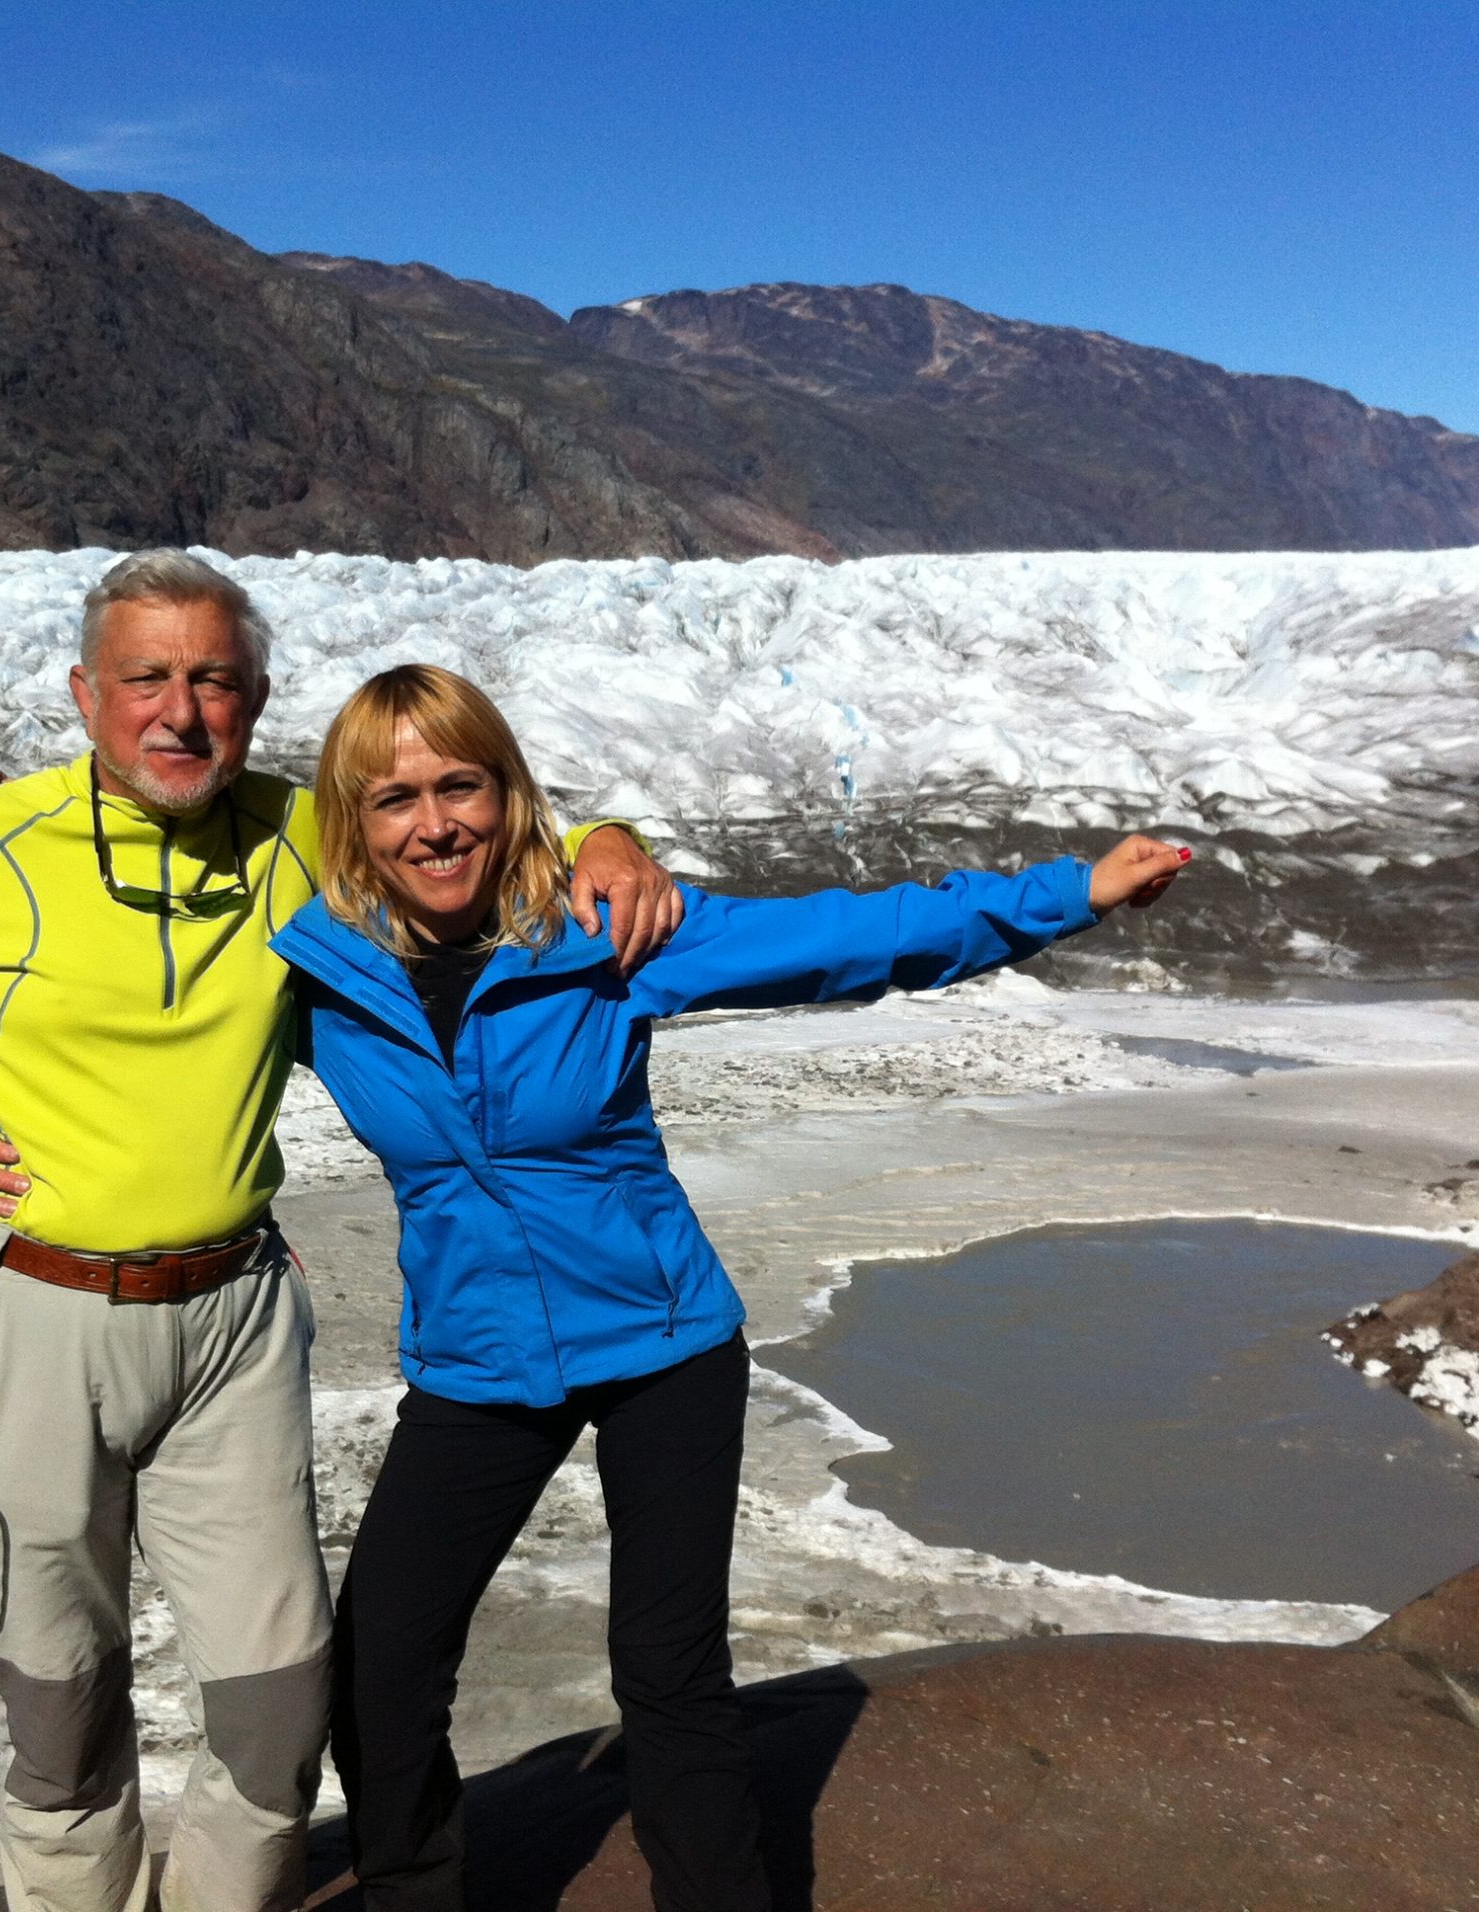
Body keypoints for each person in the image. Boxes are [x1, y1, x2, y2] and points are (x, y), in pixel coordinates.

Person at [0, 552, 679, 1912]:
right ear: (87, 693)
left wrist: (605, 838)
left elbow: (461, 840)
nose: (179, 711)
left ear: (255, 701)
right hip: (29, 1311)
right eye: (145, 677)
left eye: (213, 680)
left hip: (235, 1319)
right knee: (58, 1692)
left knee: (279, 1696)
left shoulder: (296, 833)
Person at [274, 664, 1187, 1912]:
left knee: (667, 1672)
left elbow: (848, 936)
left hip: (661, 1340)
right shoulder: (318, 970)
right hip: (481, 1356)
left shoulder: (601, 929)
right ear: (353, 825)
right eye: (394, 800)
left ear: (507, 794)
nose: (433, 824)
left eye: (459, 786)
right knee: (381, 1661)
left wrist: (1068, 894)